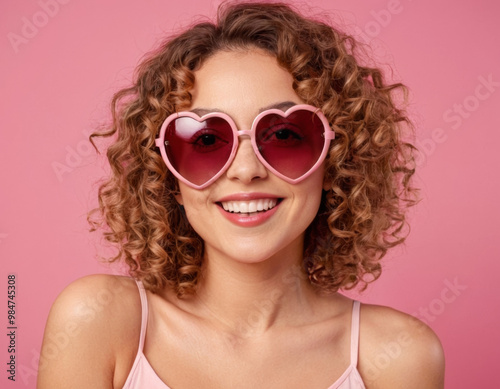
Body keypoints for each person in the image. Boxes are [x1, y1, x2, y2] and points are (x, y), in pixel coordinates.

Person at [37, 2, 445, 388]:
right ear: (169, 176)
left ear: (334, 162)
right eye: (207, 139)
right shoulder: (98, 320)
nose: (247, 170)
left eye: (285, 135)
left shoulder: (397, 356)